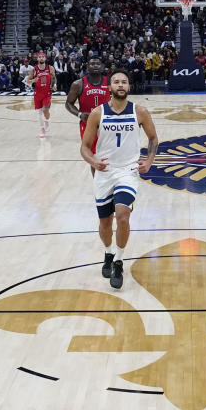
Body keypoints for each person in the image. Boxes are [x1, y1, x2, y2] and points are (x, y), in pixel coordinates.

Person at [79, 69, 158, 289]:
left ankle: (119, 261)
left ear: (129, 87)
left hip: (128, 171)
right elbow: (84, 147)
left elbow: (153, 139)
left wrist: (149, 161)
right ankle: (108, 252)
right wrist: (94, 162)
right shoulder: (97, 113)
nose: (120, 85)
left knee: (122, 216)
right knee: (105, 222)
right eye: (116, 82)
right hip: (104, 173)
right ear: (110, 87)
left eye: (124, 82)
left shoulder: (140, 111)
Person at [66, 56, 110, 166]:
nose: (95, 66)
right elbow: (68, 103)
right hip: (88, 125)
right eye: (92, 64)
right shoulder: (78, 84)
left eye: (98, 64)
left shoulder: (110, 82)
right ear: (87, 67)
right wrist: (80, 114)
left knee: (110, 157)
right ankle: (98, 182)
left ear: (102, 67)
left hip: (108, 123)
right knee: (94, 159)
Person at [27, 52, 56, 138]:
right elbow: (27, 81)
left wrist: (54, 85)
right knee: (39, 113)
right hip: (37, 93)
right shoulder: (34, 69)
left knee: (45, 110)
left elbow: (54, 78)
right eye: (40, 57)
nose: (41, 58)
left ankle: (47, 121)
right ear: (37, 59)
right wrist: (32, 81)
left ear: (45, 58)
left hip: (47, 92)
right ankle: (42, 129)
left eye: (43, 57)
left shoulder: (50, 68)